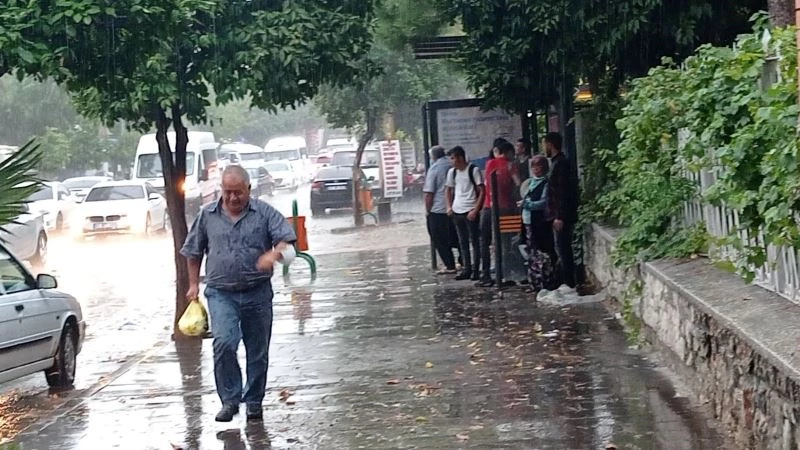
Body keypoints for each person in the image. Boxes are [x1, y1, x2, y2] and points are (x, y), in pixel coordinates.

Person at [181, 165, 298, 423]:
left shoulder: (264, 213)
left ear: (249, 190)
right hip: (221, 294)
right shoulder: (207, 215)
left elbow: (289, 243)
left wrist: (274, 254)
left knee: (257, 351)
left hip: (257, 293)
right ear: (221, 190)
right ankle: (230, 400)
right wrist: (192, 285)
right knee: (224, 343)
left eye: (238, 193)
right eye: (228, 192)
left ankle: (254, 401)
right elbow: (193, 251)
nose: (233, 198)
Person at [477, 140, 521, 287]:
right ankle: (504, 275)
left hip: (488, 208)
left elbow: (487, 183)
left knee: (485, 241)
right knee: (505, 242)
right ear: (507, 152)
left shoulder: (490, 164)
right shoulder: (511, 165)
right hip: (506, 209)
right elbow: (518, 184)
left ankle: (486, 276)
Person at [543, 132, 579, 289]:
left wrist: (559, 216)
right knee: (561, 248)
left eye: (545, 144)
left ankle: (569, 282)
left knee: (563, 248)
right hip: (556, 214)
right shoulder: (557, 163)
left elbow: (561, 192)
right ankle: (566, 280)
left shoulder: (561, 164)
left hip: (560, 215)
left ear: (550, 144)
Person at [445, 146, 485, 281]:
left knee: (474, 241)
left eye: (453, 158)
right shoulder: (452, 173)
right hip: (457, 210)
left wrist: (476, 209)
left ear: (460, 158)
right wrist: (449, 206)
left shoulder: (473, 170)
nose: (451, 161)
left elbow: (481, 191)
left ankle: (476, 269)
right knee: (462, 242)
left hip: (470, 210)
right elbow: (448, 190)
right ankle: (466, 268)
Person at [519, 155, 556, 296]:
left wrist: (527, 204)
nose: (536, 169)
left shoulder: (546, 183)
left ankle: (543, 282)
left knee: (540, 253)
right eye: (533, 166)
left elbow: (543, 202)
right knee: (531, 253)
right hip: (527, 221)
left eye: (538, 166)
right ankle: (534, 282)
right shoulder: (530, 183)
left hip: (539, 222)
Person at [423, 145, 458, 274]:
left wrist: (428, 210)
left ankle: (450, 265)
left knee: (439, 238)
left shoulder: (435, 169)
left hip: (438, 210)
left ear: (433, 156)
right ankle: (464, 261)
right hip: (457, 207)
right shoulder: (452, 164)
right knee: (457, 237)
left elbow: (429, 193)